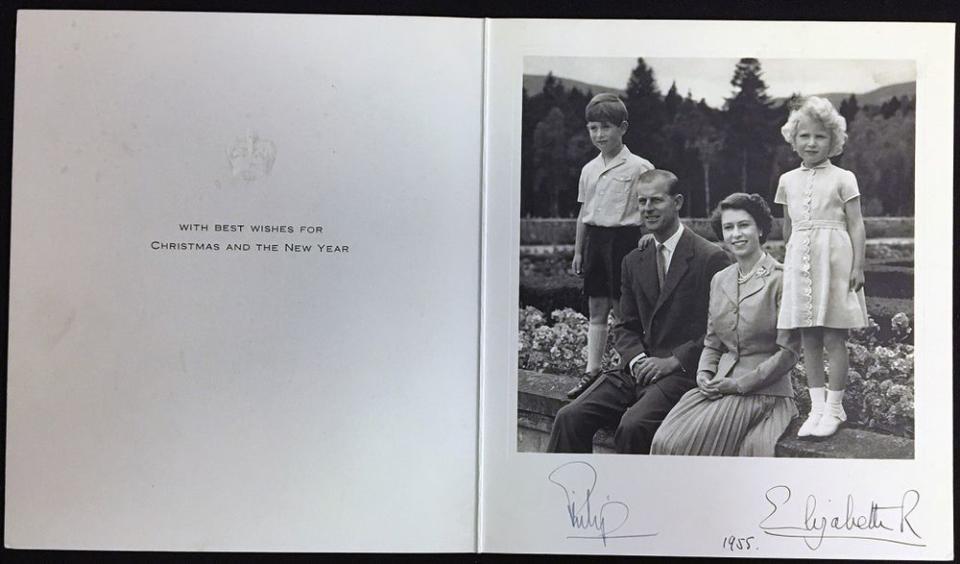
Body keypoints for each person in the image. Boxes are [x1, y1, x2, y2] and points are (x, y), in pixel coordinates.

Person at [548, 169, 729, 454]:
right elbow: (624, 325)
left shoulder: (710, 257)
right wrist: (636, 360)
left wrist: (673, 361)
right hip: (635, 370)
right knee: (569, 417)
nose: (647, 209)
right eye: (642, 202)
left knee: (633, 427)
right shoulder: (633, 261)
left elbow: (719, 330)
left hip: (680, 373)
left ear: (677, 202)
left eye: (656, 201)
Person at [651, 194, 800, 457]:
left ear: (761, 229)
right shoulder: (720, 279)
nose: (736, 234)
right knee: (664, 439)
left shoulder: (782, 280)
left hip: (765, 393)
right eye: (728, 228)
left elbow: (788, 353)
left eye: (744, 225)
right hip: (720, 387)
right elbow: (712, 341)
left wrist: (740, 385)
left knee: (679, 446)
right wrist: (704, 374)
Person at [775, 96, 868, 438]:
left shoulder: (844, 177)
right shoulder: (787, 180)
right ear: (794, 139)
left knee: (833, 335)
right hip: (801, 259)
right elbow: (788, 228)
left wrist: (858, 266)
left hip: (835, 259)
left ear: (833, 140)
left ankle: (834, 407)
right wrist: (788, 265)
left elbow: (857, 224)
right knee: (808, 336)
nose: (812, 143)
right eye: (805, 136)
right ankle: (815, 409)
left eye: (820, 137)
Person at [566, 93, 655, 400]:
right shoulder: (588, 169)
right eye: (593, 128)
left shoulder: (639, 167)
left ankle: (623, 371)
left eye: (605, 127)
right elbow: (583, 213)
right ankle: (591, 372)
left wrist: (651, 236)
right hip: (595, 242)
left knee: (623, 310)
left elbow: (651, 207)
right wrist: (579, 251)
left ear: (623, 127)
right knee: (596, 308)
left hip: (624, 242)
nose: (599, 134)